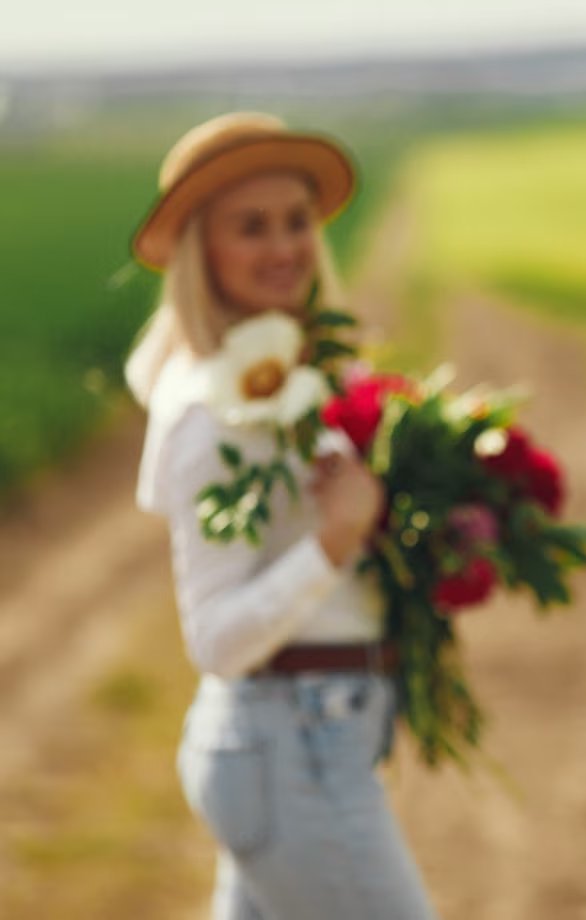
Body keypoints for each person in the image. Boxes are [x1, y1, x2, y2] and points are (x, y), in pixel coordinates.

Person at [126, 112, 436, 920]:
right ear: (203, 249)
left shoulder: (298, 375)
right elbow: (217, 641)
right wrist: (333, 544)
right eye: (250, 227)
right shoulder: (210, 412)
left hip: (311, 741)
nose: (284, 247)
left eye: (296, 221)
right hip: (289, 745)